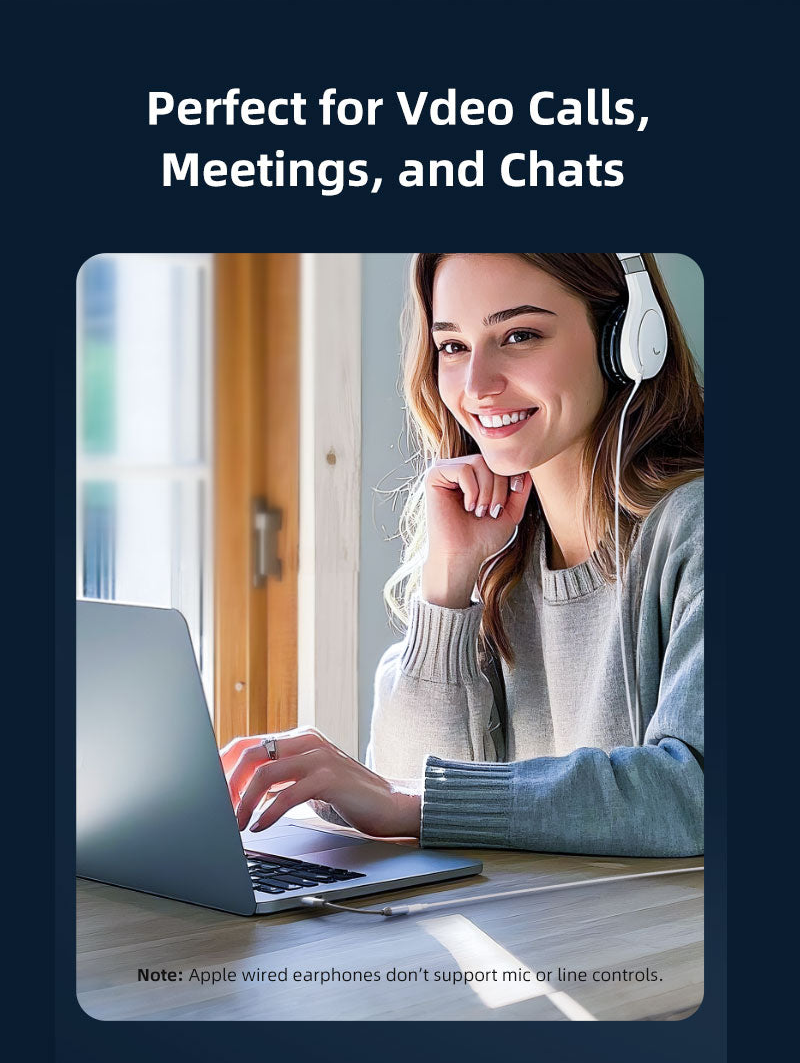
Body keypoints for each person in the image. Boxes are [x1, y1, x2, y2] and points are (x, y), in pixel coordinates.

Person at [222, 253, 704, 857]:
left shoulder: (700, 530)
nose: (477, 385)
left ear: (630, 342)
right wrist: (448, 584)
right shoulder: (500, 550)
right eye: (452, 346)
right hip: (531, 938)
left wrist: (416, 804)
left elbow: (695, 794)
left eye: (520, 335)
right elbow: (401, 779)